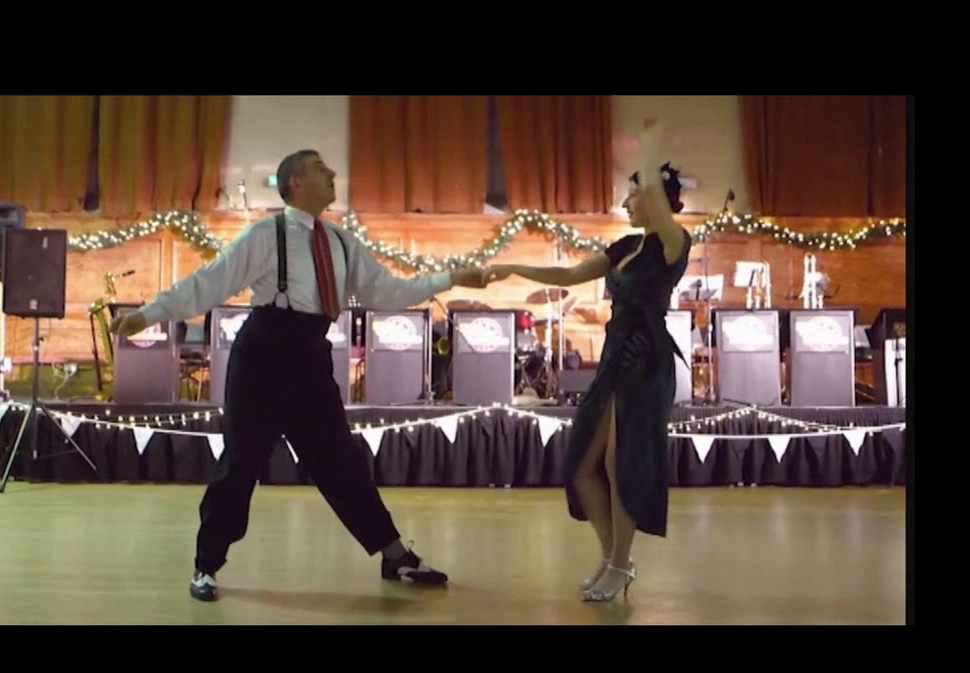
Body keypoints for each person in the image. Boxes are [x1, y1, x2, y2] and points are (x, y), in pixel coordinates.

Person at [109, 149, 497, 601]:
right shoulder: (266, 234)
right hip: (263, 356)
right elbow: (211, 281)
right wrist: (150, 313)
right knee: (240, 463)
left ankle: (393, 553)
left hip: (312, 355)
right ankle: (206, 565)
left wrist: (451, 278)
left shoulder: (341, 241)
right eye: (319, 169)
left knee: (340, 459)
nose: (332, 174)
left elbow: (388, 291)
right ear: (295, 183)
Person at [486, 123, 692, 602]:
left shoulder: (674, 243)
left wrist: (650, 145)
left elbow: (658, 204)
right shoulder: (624, 247)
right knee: (581, 465)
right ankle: (612, 555)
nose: (625, 203)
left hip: (646, 362)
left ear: (656, 198)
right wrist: (514, 268)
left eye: (633, 194)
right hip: (614, 358)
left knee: (624, 464)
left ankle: (620, 563)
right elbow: (570, 273)